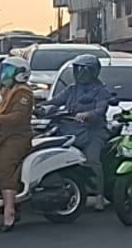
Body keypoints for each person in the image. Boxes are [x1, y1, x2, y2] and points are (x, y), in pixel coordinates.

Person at [46, 54, 119, 210]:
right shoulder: (71, 89)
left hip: (93, 131)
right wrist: (39, 107)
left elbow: (101, 109)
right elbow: (54, 102)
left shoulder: (101, 91)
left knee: (93, 160)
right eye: (78, 69)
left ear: (94, 72)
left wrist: (89, 114)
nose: (80, 73)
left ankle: (99, 196)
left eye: (85, 70)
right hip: (69, 129)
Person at [0, 56, 35, 230]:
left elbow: (18, 116)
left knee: (4, 166)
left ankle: (9, 211)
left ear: (20, 73)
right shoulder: (5, 89)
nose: (4, 74)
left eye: (8, 71)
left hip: (16, 137)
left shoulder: (23, 92)